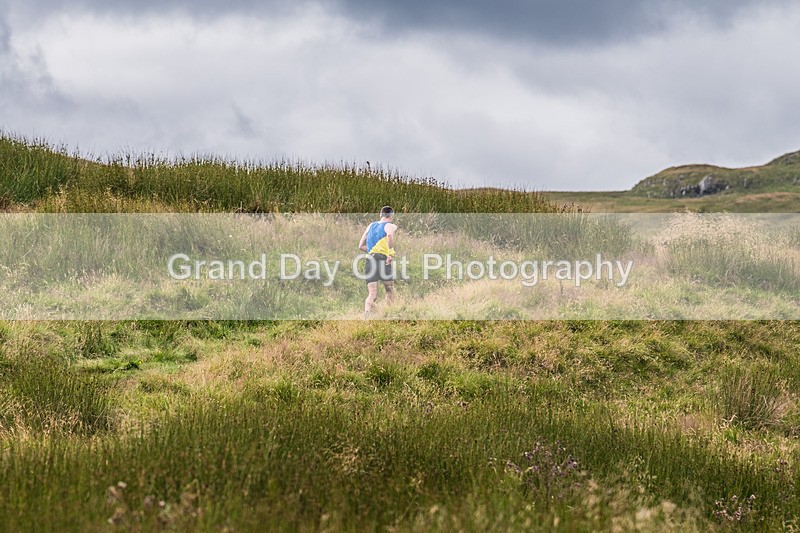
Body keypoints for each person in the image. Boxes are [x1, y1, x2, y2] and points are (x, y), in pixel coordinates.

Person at [358, 206, 397, 315]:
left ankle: (367, 315)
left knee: (372, 294)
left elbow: (361, 246)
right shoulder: (390, 225)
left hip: (369, 260)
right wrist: (390, 253)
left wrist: (372, 251)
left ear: (380, 215)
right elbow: (389, 235)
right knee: (390, 290)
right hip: (383, 259)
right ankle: (387, 315)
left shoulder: (370, 226)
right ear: (391, 216)